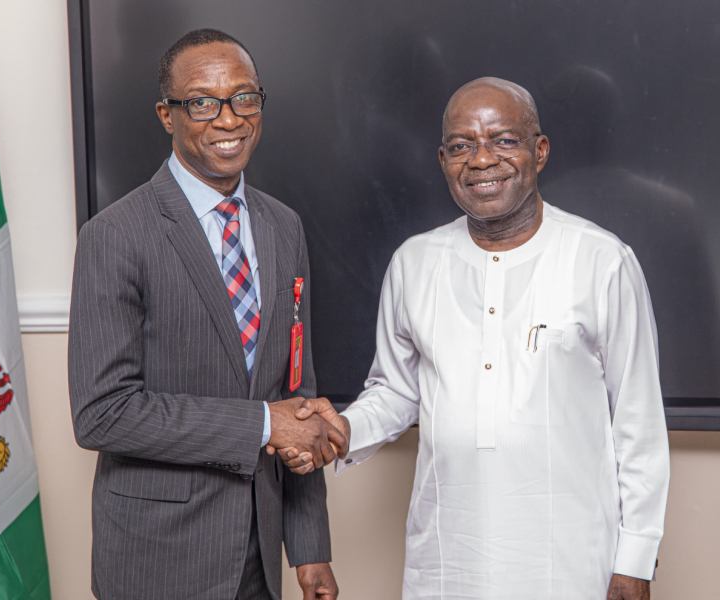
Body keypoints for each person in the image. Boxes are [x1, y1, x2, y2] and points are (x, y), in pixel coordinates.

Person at [279, 77, 669, 599]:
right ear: (443, 161)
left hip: (572, 563)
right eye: (462, 146)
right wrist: (344, 430)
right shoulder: (415, 262)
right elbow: (397, 390)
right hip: (446, 560)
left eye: (503, 140)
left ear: (540, 151)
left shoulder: (602, 261)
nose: (482, 159)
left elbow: (638, 424)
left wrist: (635, 560)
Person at [68, 29, 343, 600]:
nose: (229, 119)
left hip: (259, 555)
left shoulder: (283, 226)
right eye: (202, 103)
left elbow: (297, 392)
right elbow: (102, 414)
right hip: (159, 560)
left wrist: (310, 546)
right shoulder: (114, 235)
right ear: (166, 115)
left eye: (244, 98)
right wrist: (264, 425)